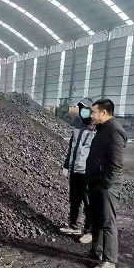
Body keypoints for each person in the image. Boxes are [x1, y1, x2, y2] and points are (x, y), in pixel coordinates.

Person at [86, 99, 127, 268]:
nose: (91, 115)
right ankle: (97, 251)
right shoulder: (102, 129)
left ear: (104, 113)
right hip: (97, 182)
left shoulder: (114, 130)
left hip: (107, 185)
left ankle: (109, 260)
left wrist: (106, 184)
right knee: (96, 219)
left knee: (108, 221)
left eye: (93, 112)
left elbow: (116, 164)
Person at [60, 98, 95, 244]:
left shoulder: (96, 129)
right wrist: (66, 166)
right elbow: (71, 148)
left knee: (88, 203)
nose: (83, 112)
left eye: (85, 109)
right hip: (75, 169)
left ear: (91, 111)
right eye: (81, 109)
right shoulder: (77, 126)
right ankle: (74, 226)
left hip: (87, 171)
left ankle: (89, 231)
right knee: (74, 200)